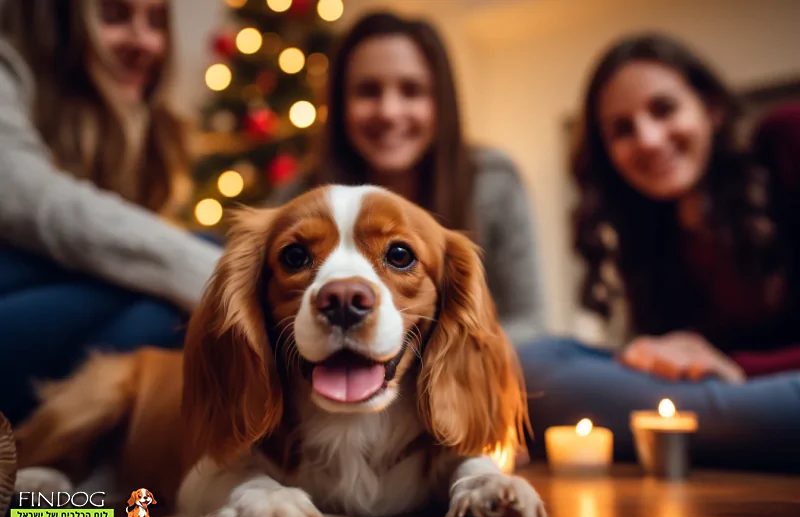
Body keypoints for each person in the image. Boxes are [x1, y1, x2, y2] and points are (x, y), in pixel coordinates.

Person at [520, 32, 800, 472]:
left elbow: (713, 377)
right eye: (622, 130)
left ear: (712, 108)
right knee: (529, 363)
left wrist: (740, 369)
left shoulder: (786, 139)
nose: (648, 139)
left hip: (771, 390)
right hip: (718, 399)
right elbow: (675, 375)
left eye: (664, 109)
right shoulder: (647, 237)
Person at [0, 0, 222, 424]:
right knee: (187, 281)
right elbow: (37, 203)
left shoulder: (129, 133)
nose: (143, 41)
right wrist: (213, 274)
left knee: (164, 309)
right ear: (62, 26)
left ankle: (59, 453)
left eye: (155, 21)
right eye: (115, 16)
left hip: (53, 338)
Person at [271, 11, 547, 347]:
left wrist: (429, 352)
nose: (388, 111)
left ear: (440, 102)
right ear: (340, 105)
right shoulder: (297, 196)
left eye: (412, 90)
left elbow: (528, 322)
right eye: (368, 91)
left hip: (479, 361)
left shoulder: (494, 180)